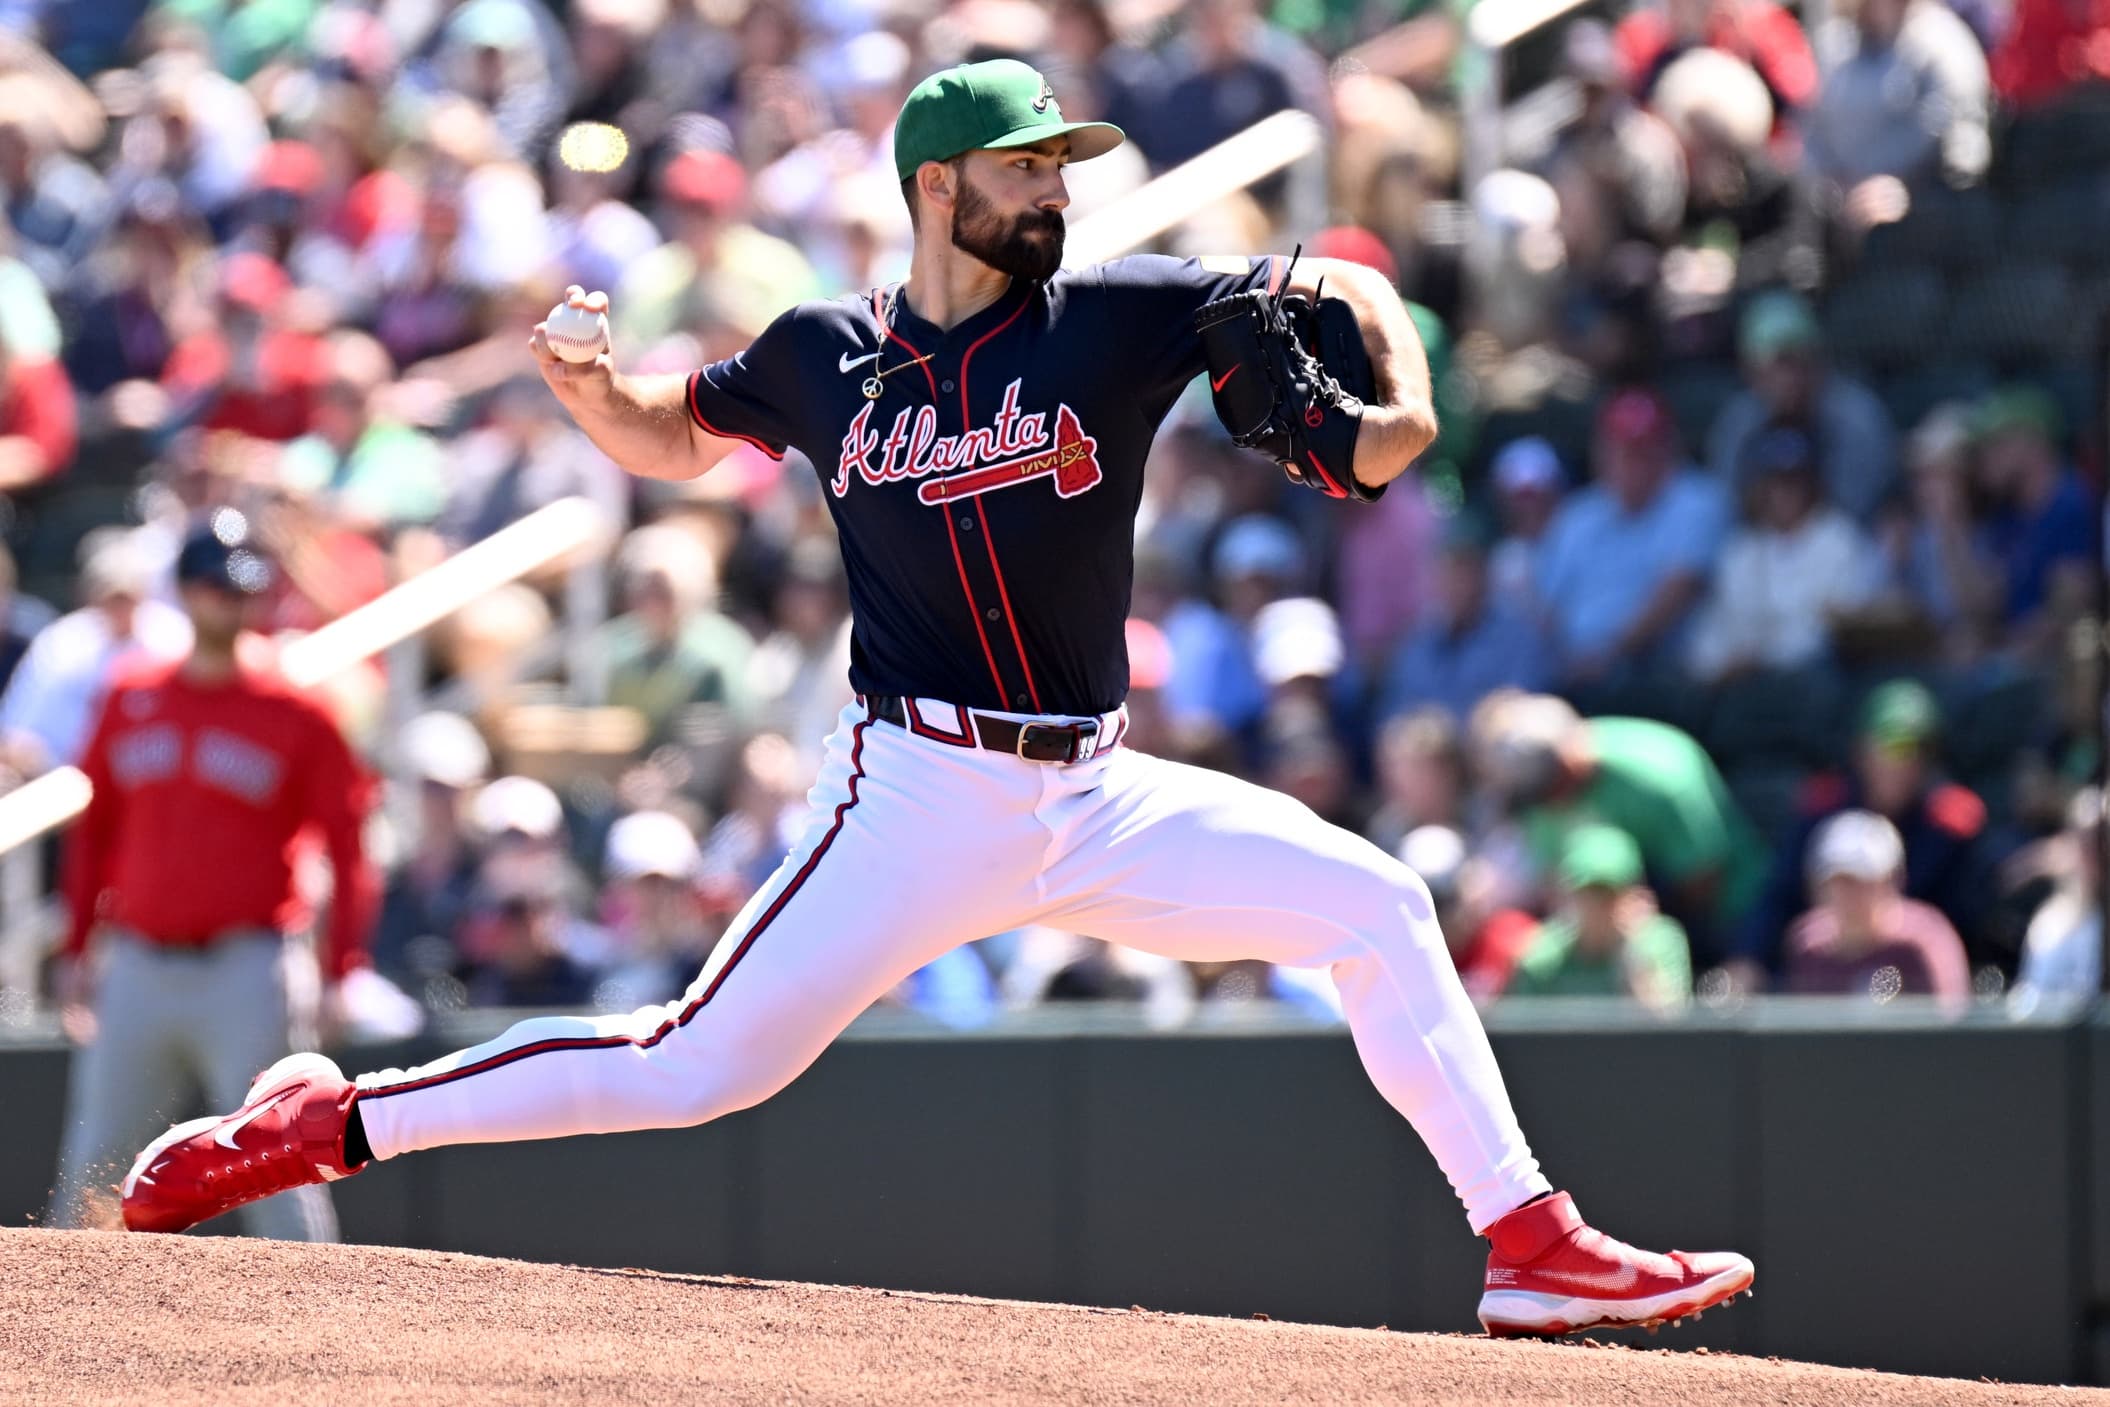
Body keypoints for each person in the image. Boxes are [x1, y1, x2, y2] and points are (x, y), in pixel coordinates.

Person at [122, 59, 1752, 1338]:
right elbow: (671, 433)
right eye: (1026, 164)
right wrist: (584, 392)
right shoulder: (824, 351)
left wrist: (1388, 365)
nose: (1054, 187)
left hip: (1100, 794)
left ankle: (1531, 1244)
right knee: (695, 1067)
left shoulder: (1121, 315)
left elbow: (1341, 357)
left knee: (1380, 903)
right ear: (935, 184)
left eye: (1061, 165)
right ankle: (328, 1123)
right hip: (914, 792)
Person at [49, 513, 375, 1240]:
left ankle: (325, 1345)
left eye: (241, 591)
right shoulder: (130, 692)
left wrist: (342, 964)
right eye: (215, 589)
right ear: (188, 592)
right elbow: (94, 834)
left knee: (277, 1165)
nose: (230, 605)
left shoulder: (297, 706)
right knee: (94, 1169)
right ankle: (62, 1348)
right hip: (137, 962)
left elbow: (350, 844)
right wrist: (78, 951)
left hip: (248, 965)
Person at [1474, 691, 1763, 966]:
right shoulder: (1539, 798)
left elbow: (1703, 880)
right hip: (1610, 922)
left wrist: (1625, 910)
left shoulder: (1659, 778)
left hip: (1722, 913)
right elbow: (1554, 880)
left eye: (1550, 788)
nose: (1546, 804)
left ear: (1572, 763)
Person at [1732, 681, 1998, 980]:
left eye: (1918, 748)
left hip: (1919, 982)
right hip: (1832, 973)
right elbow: (1780, 895)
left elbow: (1971, 923)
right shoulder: (1824, 807)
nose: (1905, 760)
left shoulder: (1953, 822)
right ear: (1862, 749)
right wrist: (1749, 958)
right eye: (1894, 744)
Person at [1534, 389, 1729, 689]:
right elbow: (1547, 608)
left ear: (1667, 448)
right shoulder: (1579, 515)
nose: (1632, 463)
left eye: (1644, 450)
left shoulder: (1696, 501)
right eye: (1622, 449)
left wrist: (1607, 656)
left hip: (1650, 667)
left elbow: (1677, 592)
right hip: (1570, 665)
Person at [1684, 425, 1882, 682]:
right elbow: (1713, 628)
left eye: (1794, 482)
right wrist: (1717, 665)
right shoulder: (1742, 549)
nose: (1785, 493)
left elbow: (1831, 633)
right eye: (1776, 482)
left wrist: (1761, 659)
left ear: (1813, 483)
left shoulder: (1840, 541)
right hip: (1739, 685)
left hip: (1806, 682)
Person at [0, 529, 191, 777]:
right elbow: (17, 732)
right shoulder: (61, 643)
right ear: (90, 596)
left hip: (151, 779)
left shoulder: (173, 637)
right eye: (112, 598)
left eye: (126, 598)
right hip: (61, 783)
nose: (119, 608)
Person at [1705, 291, 1898, 523]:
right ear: (1751, 372)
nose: (1787, 378)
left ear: (1816, 360)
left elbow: (1857, 510)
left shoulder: (1858, 416)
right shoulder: (1738, 422)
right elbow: (1729, 504)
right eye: (1775, 366)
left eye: (1795, 362)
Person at [1781, 810, 1971, 1012]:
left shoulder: (1923, 944)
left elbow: (1948, 1027)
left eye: (1863, 882)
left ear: (1891, 881)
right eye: (1839, 882)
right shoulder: (1808, 946)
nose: (1849, 895)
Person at [1507, 826, 1693, 1013]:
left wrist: (1629, 952)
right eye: (1590, 892)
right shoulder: (1543, 958)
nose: (1599, 906)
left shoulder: (1661, 944)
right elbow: (1526, 1035)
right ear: (1570, 893)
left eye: (1610, 894)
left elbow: (1667, 1024)